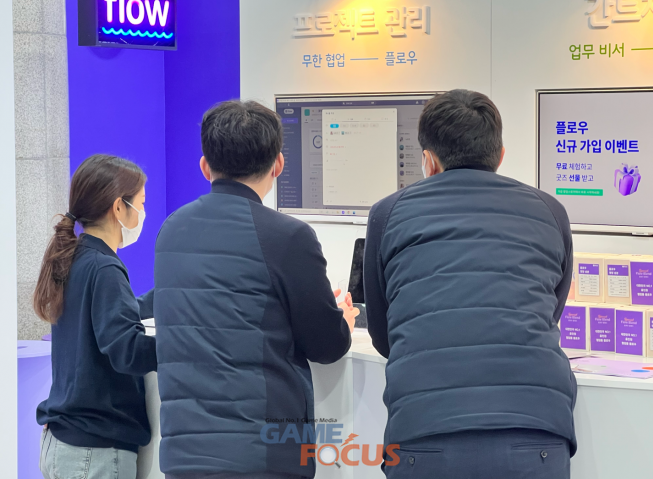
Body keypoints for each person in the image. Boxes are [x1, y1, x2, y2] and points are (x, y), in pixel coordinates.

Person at [364, 90, 577, 479]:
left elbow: (383, 332)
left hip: (424, 430)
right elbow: (551, 309)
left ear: (429, 161)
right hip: (536, 430)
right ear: (500, 156)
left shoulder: (388, 213)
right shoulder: (550, 211)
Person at [154, 100, 359, 479]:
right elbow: (325, 346)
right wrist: (342, 322)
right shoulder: (288, 236)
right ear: (278, 165)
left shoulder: (171, 229)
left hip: (184, 455)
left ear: (205, 166)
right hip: (262, 456)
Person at [36, 155, 157, 479]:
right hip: (95, 453)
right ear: (119, 207)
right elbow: (128, 351)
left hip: (63, 443)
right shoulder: (105, 268)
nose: (143, 212)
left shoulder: (78, 258)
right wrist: (191, 342)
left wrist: (168, 297)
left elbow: (107, 315)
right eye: (141, 203)